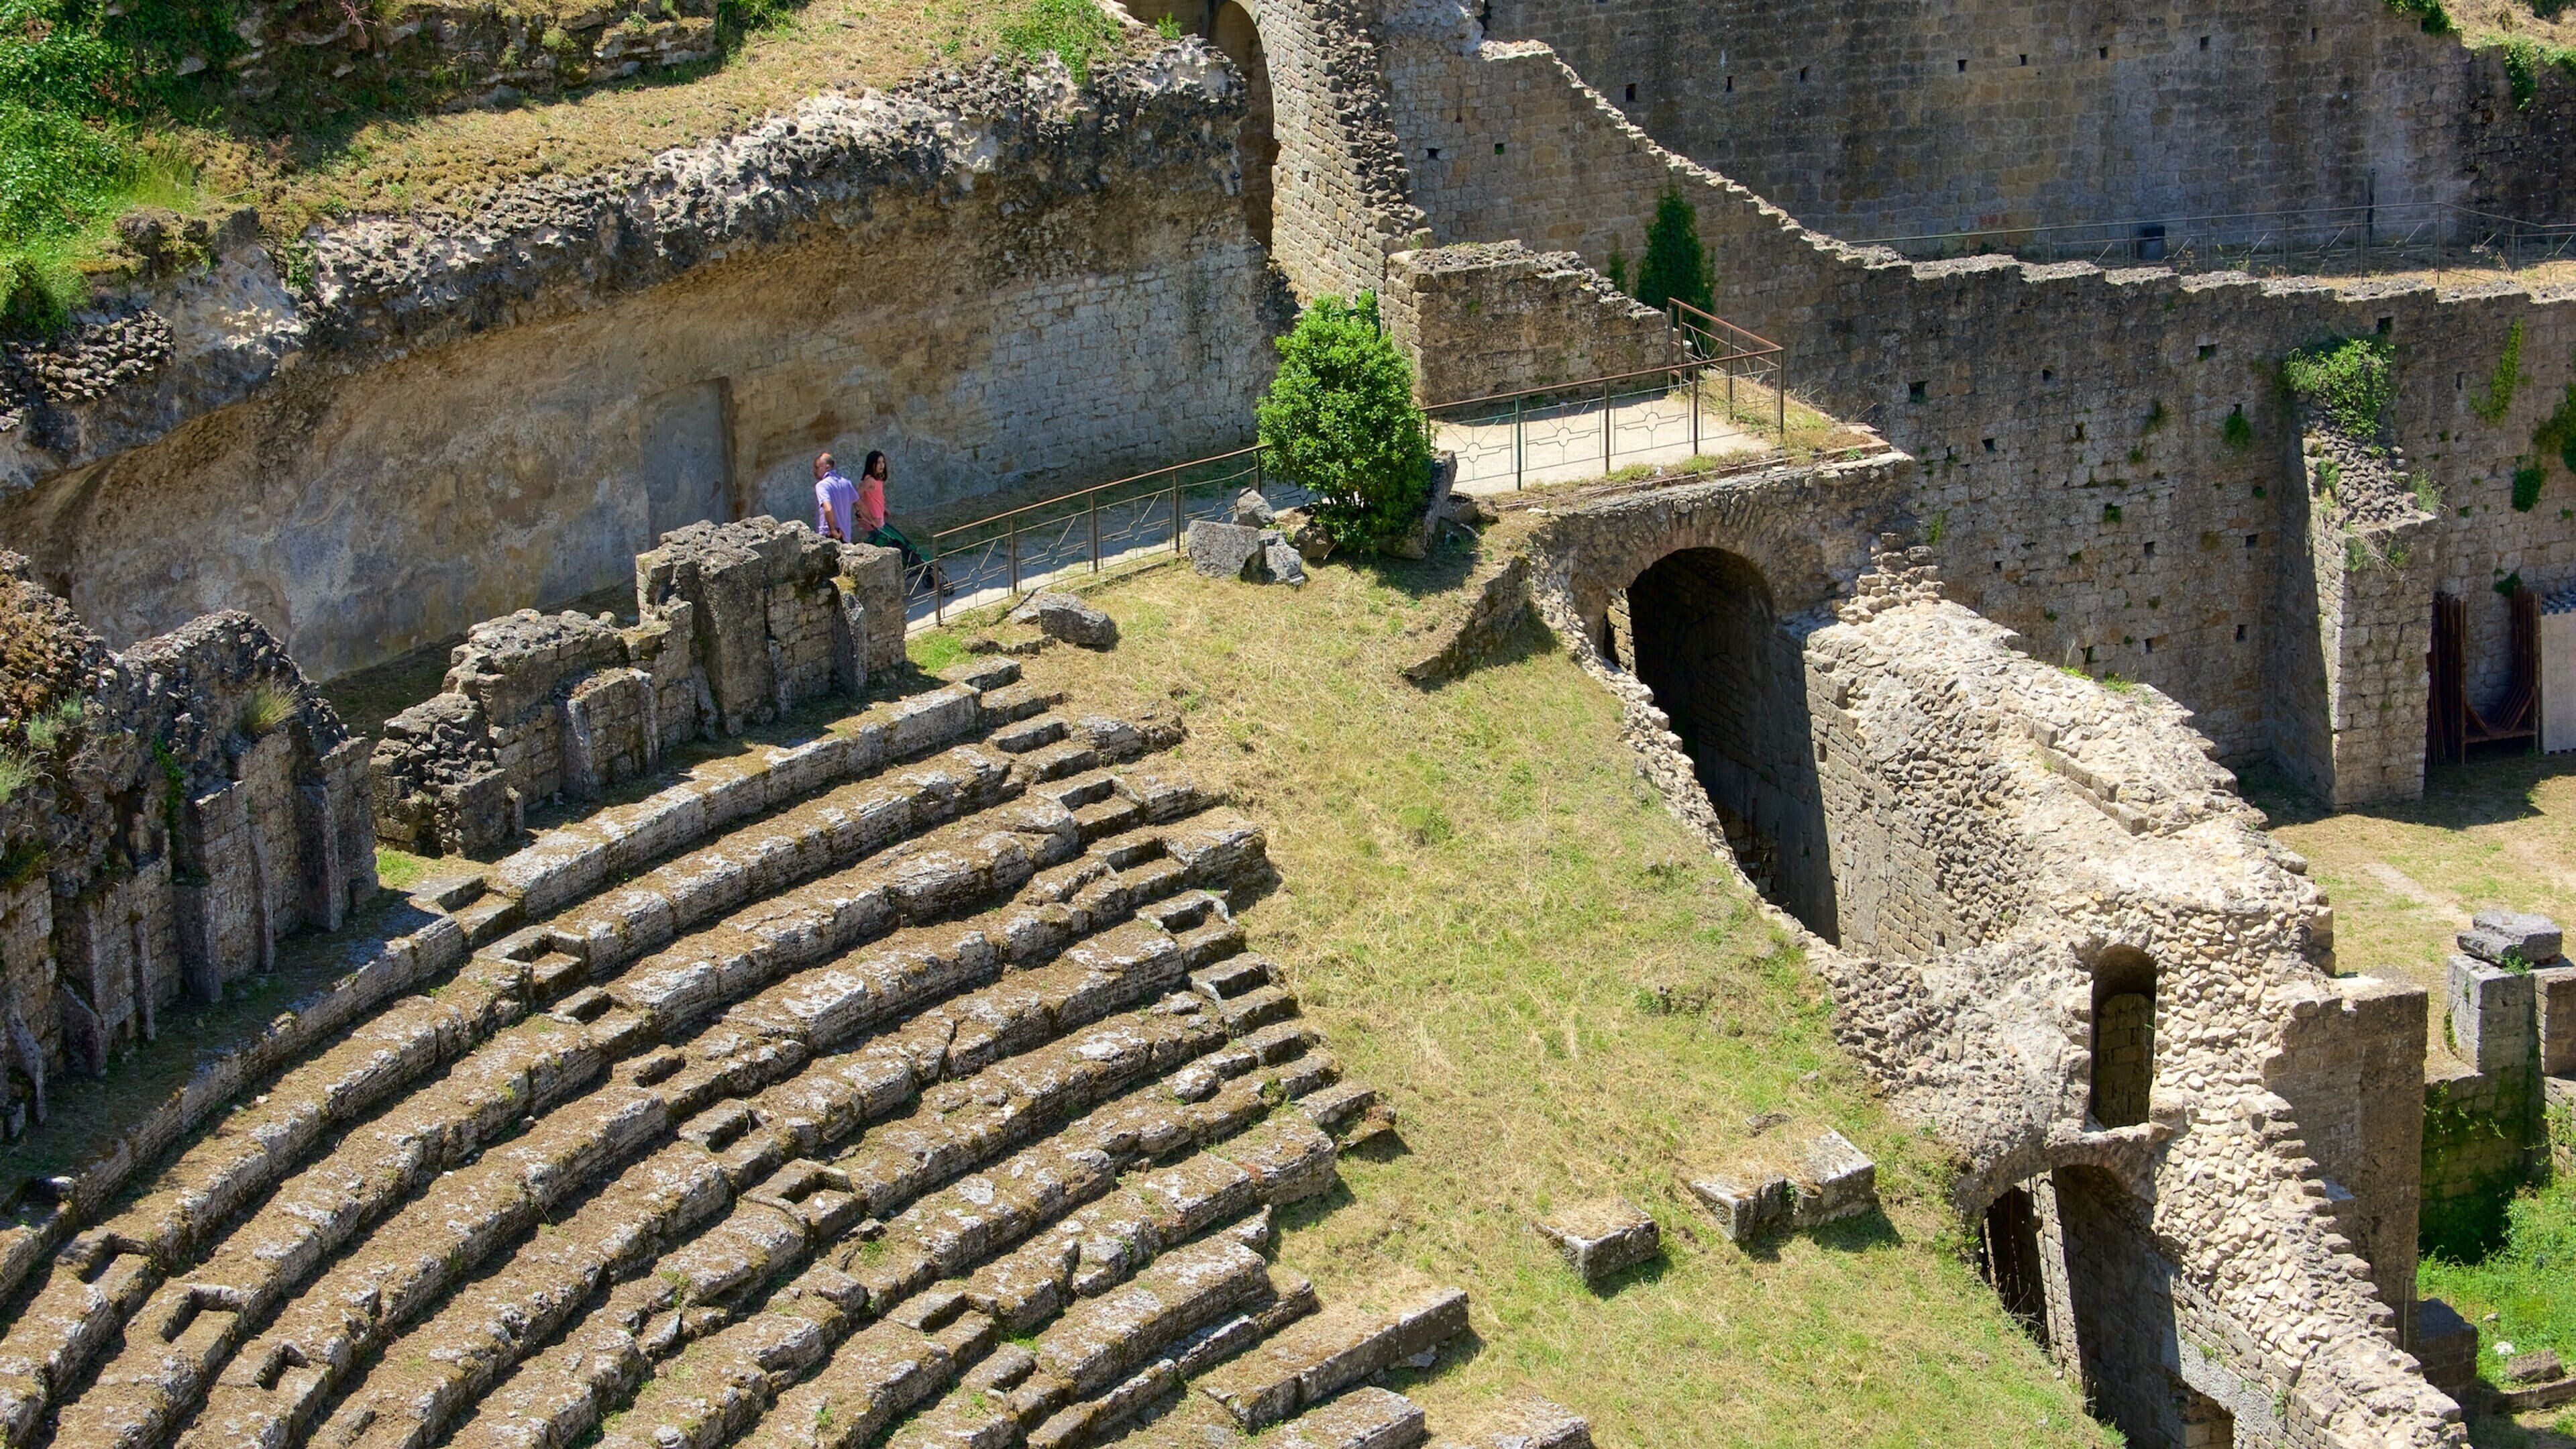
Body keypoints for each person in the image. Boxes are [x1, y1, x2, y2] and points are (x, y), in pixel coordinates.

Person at [855, 451, 944, 593]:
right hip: (874, 524)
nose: (881, 466)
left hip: (880, 521)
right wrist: (864, 514)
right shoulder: (869, 480)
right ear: (871, 464)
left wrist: (883, 508)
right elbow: (856, 496)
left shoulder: (878, 480)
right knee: (894, 544)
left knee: (902, 542)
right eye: (878, 463)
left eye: (883, 462)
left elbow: (875, 498)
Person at [813, 452, 860, 543]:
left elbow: (828, 508)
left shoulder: (822, 486)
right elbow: (860, 505)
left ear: (827, 467)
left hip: (830, 536)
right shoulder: (847, 483)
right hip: (845, 537)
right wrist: (874, 522)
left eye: (817, 467)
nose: (814, 471)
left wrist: (833, 529)